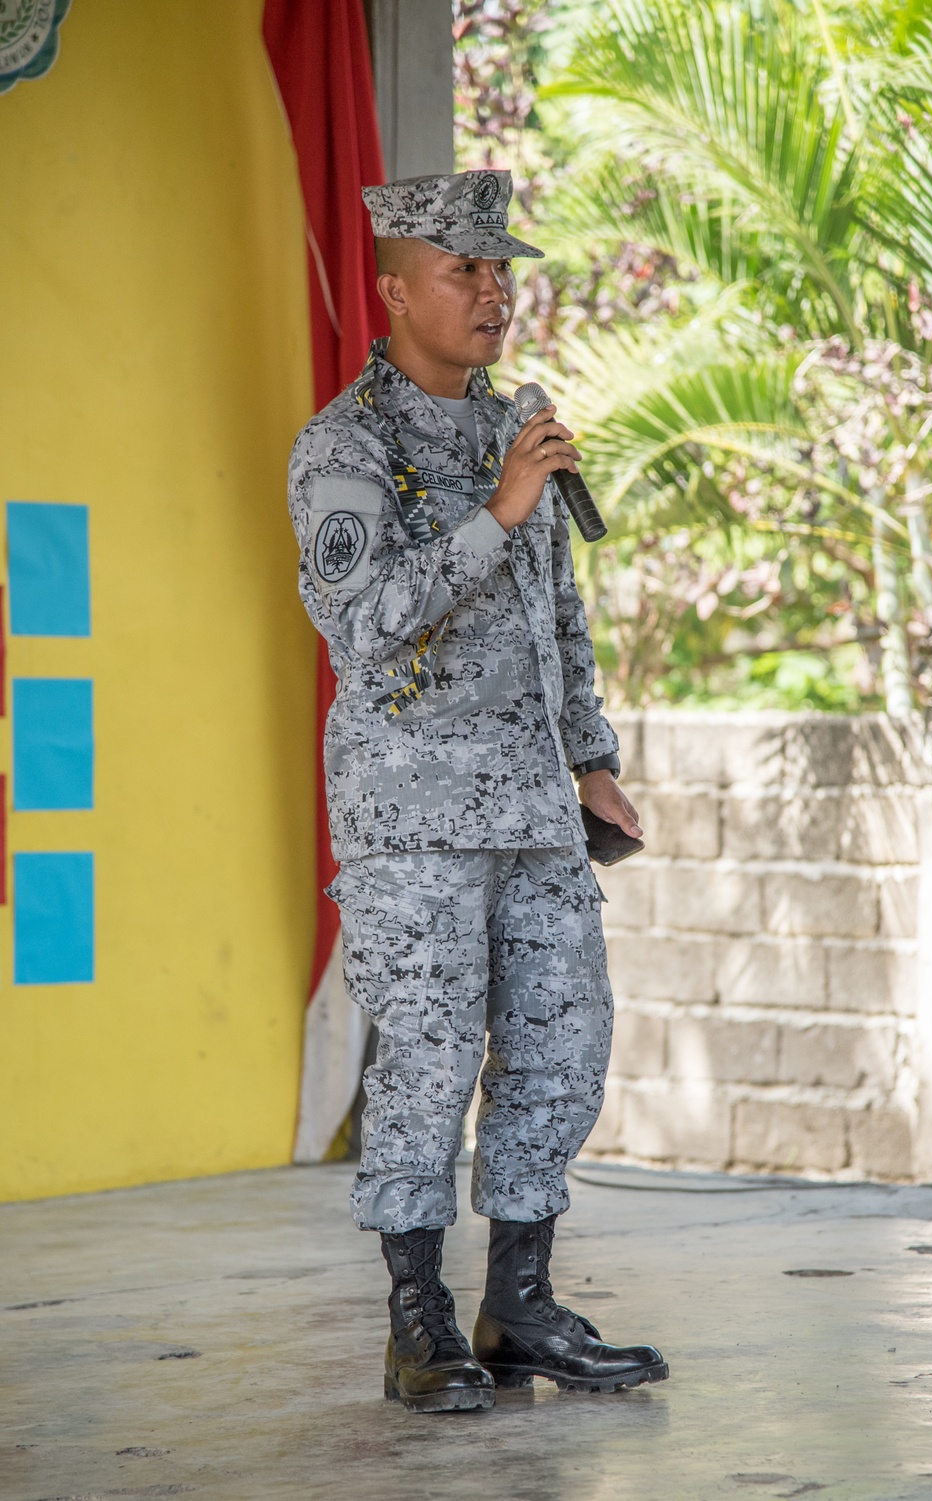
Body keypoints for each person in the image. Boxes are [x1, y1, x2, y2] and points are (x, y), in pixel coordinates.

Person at [287, 169, 667, 1414]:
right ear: (397, 291)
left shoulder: (520, 423)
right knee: (427, 1065)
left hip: (533, 815)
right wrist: (502, 508)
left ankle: (519, 1308)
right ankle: (417, 1324)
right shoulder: (344, 447)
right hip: (411, 823)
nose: (494, 293)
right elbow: (367, 624)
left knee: (563, 1046)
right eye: (466, 272)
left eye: (503, 272)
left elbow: (557, 615)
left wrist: (592, 759)